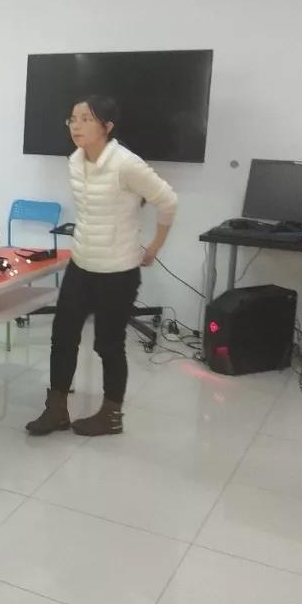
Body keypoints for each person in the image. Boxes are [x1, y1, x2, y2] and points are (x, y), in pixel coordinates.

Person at [26, 95, 177, 437]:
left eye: (86, 119)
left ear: (107, 127)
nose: (76, 126)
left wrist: (154, 247)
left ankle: (111, 415)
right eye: (73, 119)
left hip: (118, 271)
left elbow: (168, 201)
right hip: (81, 263)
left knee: (108, 344)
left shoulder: (126, 164)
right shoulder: (75, 160)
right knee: (62, 336)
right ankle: (56, 409)